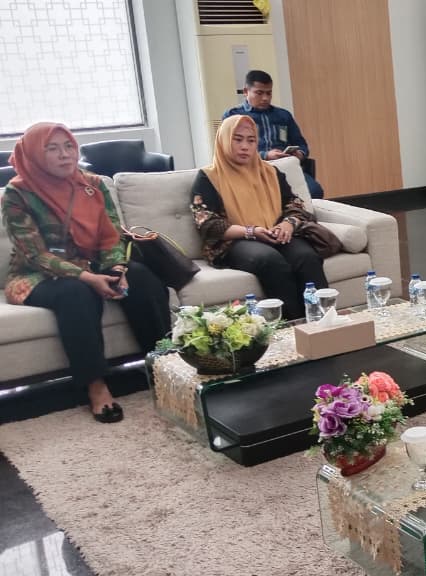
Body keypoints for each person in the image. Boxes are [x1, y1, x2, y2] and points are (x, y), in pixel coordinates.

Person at [2, 123, 170, 423]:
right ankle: (96, 386)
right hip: (36, 275)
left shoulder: (92, 184)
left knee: (142, 278)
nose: (64, 154)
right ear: (34, 154)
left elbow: (113, 234)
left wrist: (117, 269)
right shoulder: (18, 194)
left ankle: (163, 367)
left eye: (68, 146)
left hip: (92, 262)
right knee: (76, 293)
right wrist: (88, 278)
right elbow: (35, 255)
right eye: (52, 148)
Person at [192, 114, 327, 320]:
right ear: (224, 140)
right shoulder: (208, 177)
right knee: (269, 261)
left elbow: (295, 204)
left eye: (251, 140)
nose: (245, 147)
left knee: (306, 257)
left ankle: (325, 321)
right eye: (238, 139)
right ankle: (294, 326)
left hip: (275, 232)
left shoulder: (271, 172)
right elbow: (207, 224)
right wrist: (251, 231)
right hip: (235, 240)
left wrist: (288, 224)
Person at [223, 70, 325, 199]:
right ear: (246, 92)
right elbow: (229, 150)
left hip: (286, 167)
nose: (265, 98)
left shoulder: (283, 115)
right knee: (268, 196)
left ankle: (297, 211)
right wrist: (265, 155)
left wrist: (299, 154)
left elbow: (301, 144)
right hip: (253, 168)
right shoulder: (234, 116)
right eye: (259, 93)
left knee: (315, 191)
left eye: (269, 93)